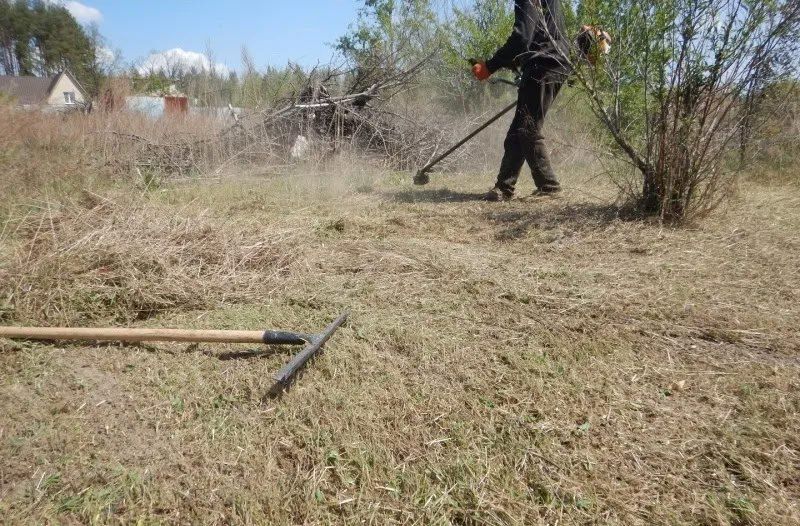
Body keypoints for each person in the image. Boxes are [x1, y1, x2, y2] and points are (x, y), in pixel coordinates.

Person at [472, 0, 571, 201]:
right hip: (551, 62)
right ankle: (504, 188)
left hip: (543, 64)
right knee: (519, 129)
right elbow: (538, 35)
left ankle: (549, 187)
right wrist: (516, 61)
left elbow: (522, 38)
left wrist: (489, 66)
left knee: (528, 128)